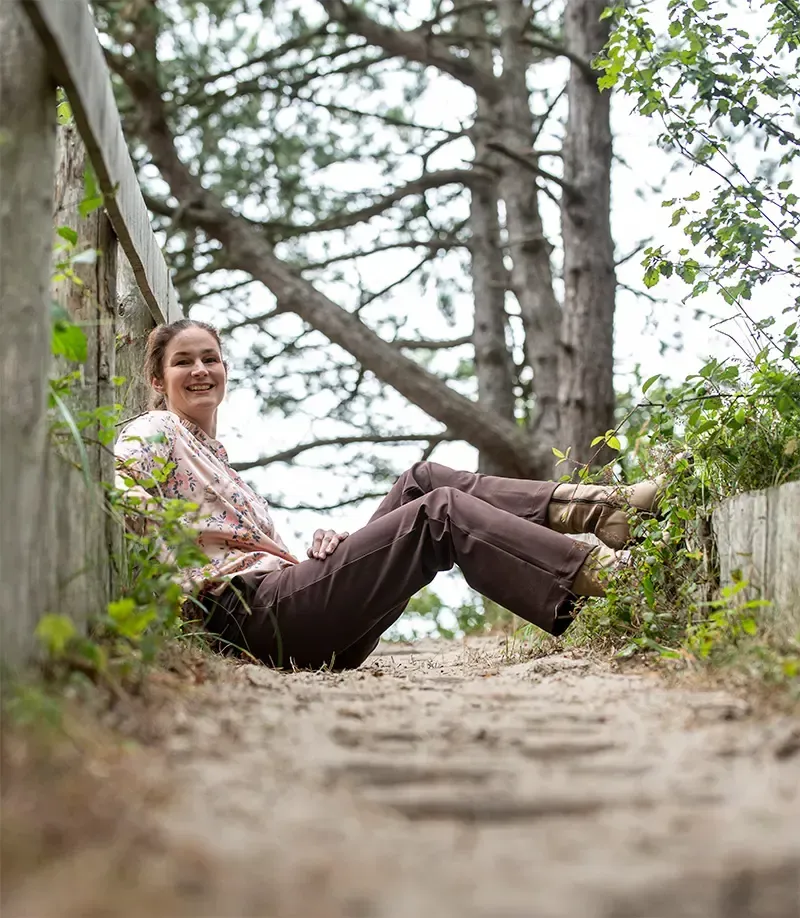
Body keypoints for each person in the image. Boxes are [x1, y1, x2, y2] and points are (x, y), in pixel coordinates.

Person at [115, 319, 660, 670]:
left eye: (209, 358)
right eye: (183, 361)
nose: (200, 370)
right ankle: (615, 583)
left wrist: (324, 552)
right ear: (158, 382)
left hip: (291, 609)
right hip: (249, 619)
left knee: (422, 480)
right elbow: (117, 494)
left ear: (225, 370)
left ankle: (601, 510)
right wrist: (172, 585)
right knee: (439, 514)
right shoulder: (156, 430)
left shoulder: (215, 457)